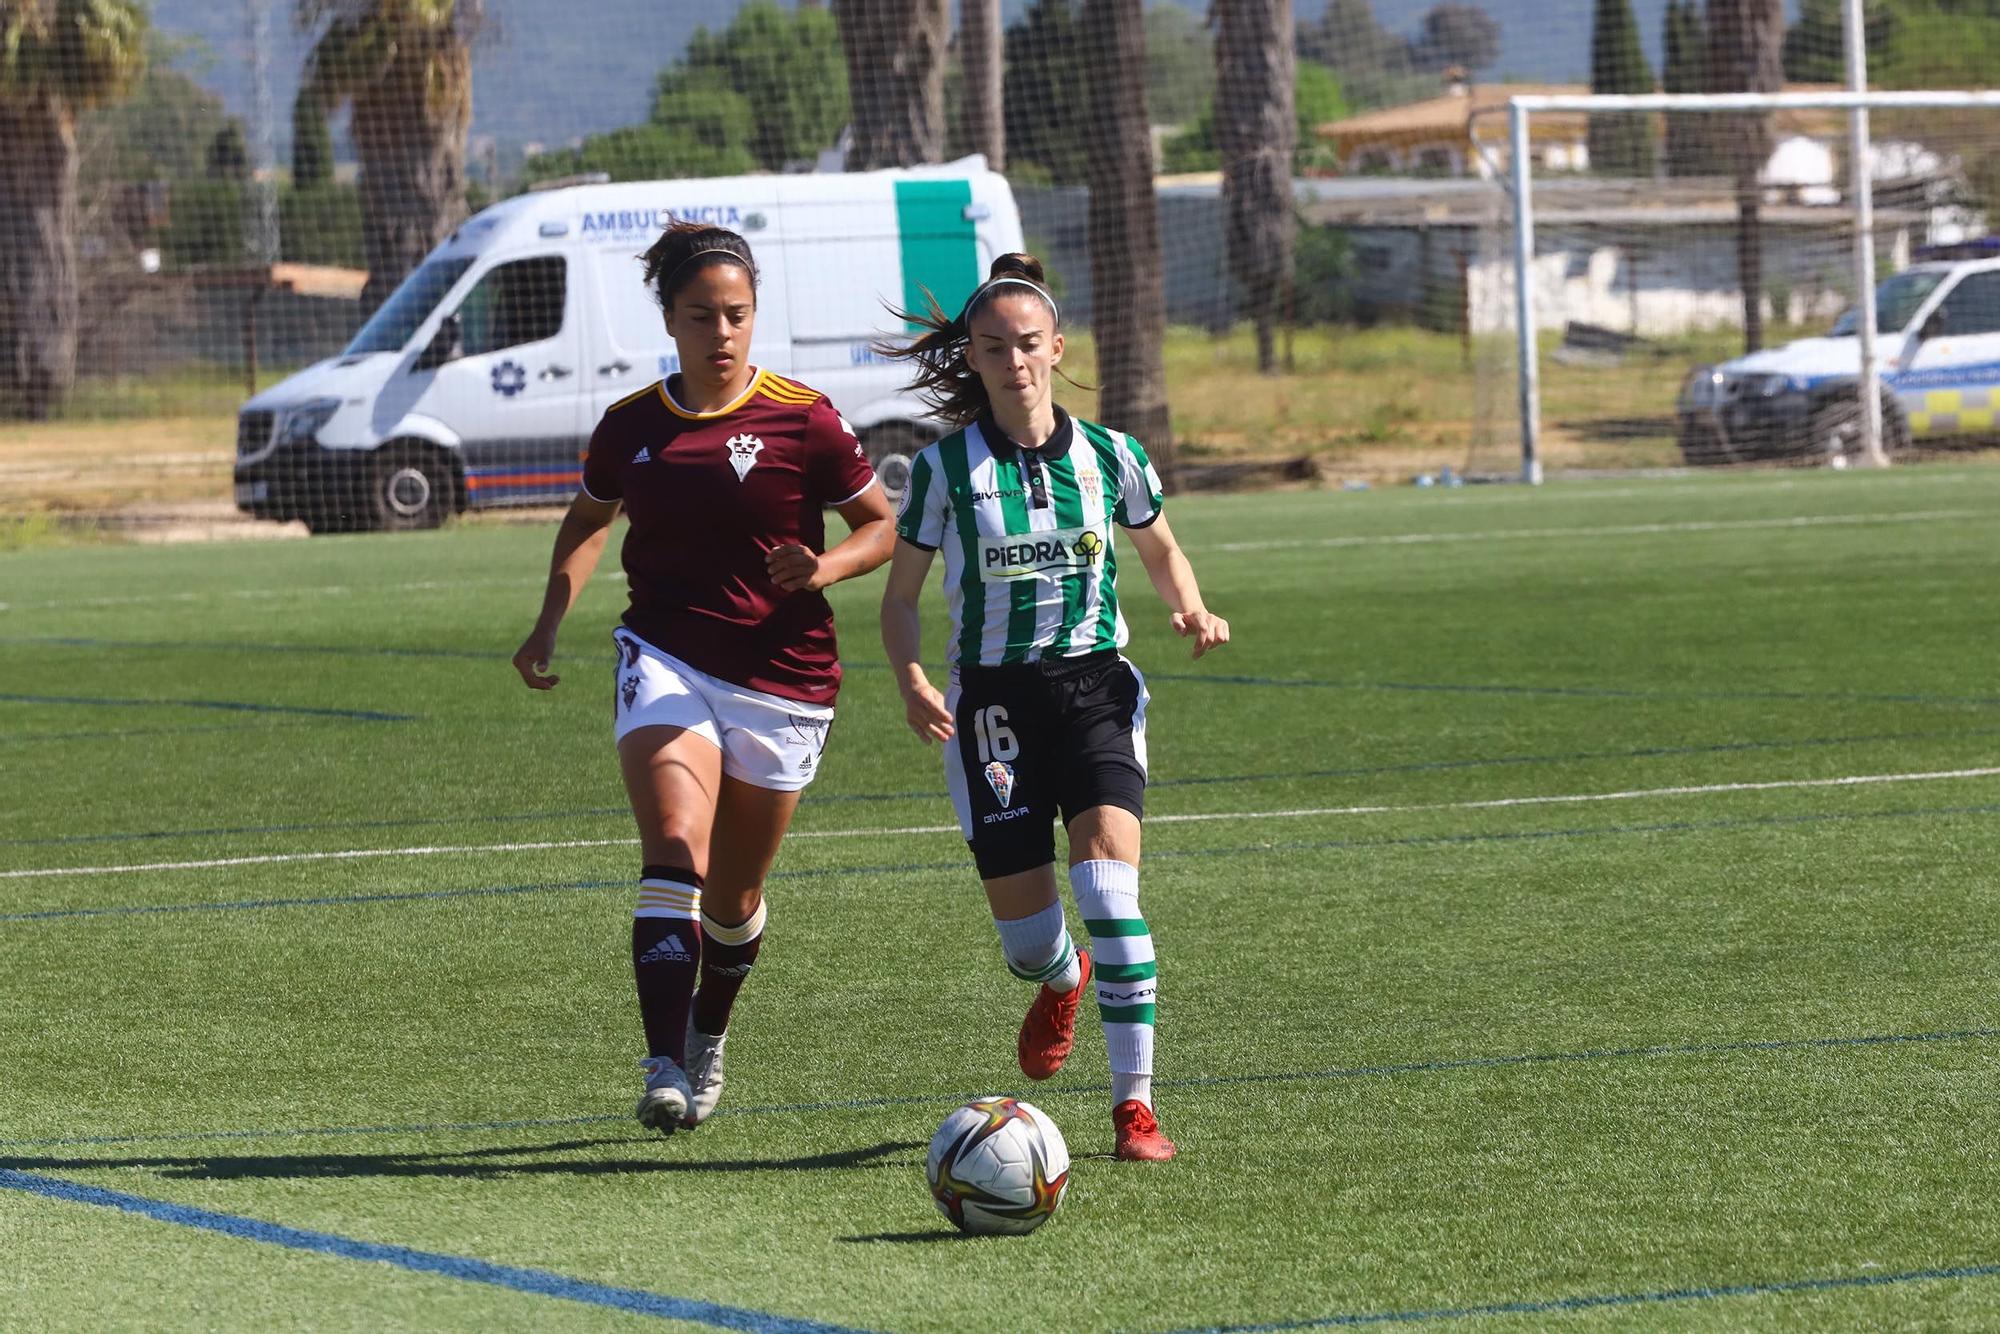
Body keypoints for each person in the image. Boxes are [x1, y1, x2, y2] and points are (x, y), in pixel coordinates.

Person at [513, 220, 895, 1134]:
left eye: (737, 315)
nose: (721, 333)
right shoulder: (632, 427)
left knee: (734, 899)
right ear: (671, 322)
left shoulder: (806, 418)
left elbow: (880, 525)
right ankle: (660, 1067)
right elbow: (589, 520)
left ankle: (706, 1035)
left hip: (784, 678)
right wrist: (549, 620)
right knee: (675, 846)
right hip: (665, 655)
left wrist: (824, 568)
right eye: (701, 316)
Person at [878, 254, 1229, 1162]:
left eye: (1029, 344)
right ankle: (1059, 979)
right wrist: (913, 677)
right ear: (975, 359)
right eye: (994, 348)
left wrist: (1189, 603)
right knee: (1032, 942)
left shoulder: (1114, 455)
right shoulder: (940, 470)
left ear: (1057, 348)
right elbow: (903, 597)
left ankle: (1135, 1107)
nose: (1016, 361)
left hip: (1094, 688)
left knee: (1111, 894)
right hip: (991, 708)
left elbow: (1159, 551)